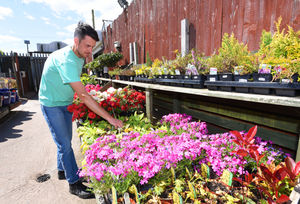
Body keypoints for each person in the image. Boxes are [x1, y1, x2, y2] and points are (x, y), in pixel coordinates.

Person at [39, 21, 123, 199]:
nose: (89, 51)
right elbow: (83, 96)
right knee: (64, 144)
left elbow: (75, 83)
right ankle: (73, 183)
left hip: (65, 101)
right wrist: (110, 118)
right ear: (76, 41)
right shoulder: (67, 60)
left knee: (65, 140)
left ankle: (62, 171)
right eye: (87, 46)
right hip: (51, 103)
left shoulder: (79, 56)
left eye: (92, 47)